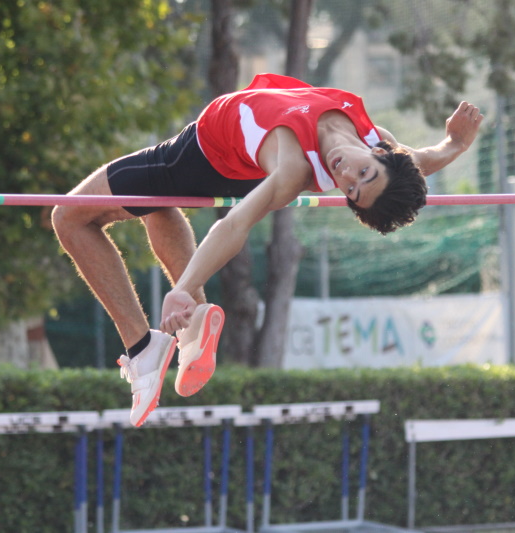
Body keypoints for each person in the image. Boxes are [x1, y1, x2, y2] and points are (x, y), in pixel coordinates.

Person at [52, 73, 483, 427]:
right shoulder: (376, 136)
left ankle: (142, 348)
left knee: (68, 218)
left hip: (205, 150)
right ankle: (195, 329)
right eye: (361, 175)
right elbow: (417, 163)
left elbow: (236, 223)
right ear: (381, 152)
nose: (346, 176)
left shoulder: (295, 168)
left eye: (351, 191)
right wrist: (456, 144)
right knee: (157, 205)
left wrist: (183, 287)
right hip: (239, 159)